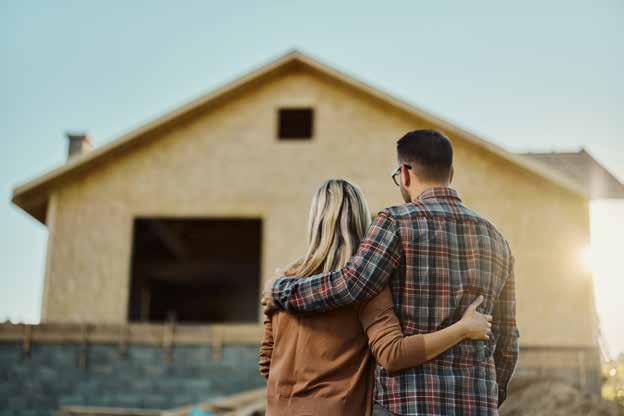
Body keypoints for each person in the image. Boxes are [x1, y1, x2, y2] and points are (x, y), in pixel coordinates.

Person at [266, 130, 520, 415]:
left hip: (406, 404)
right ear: (451, 173)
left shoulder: (395, 223)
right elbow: (507, 340)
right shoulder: (497, 239)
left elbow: (351, 284)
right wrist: (488, 398)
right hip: (476, 405)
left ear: (405, 173)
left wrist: (282, 290)